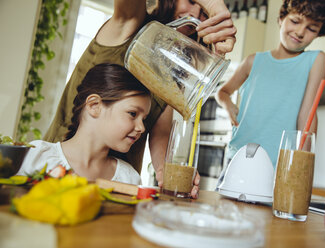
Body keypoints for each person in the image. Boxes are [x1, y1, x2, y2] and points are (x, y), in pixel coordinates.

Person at [43, 0, 236, 191]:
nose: (195, 13)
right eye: (192, 1)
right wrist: (212, 4)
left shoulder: (177, 70)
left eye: (204, 13)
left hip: (118, 186)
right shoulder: (129, 25)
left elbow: (160, 133)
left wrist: (165, 171)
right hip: (60, 172)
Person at [216, 0, 325, 167]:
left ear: (319, 33)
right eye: (295, 21)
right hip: (239, 154)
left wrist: (302, 163)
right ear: (282, 18)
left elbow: (307, 115)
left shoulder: (317, 60)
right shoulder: (253, 61)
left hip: (279, 162)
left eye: (311, 28)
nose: (300, 32)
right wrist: (229, 105)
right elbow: (222, 92)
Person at [18, 64, 151, 185]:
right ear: (94, 105)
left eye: (143, 119)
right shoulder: (35, 157)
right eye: (133, 114)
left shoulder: (129, 179)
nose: (141, 128)